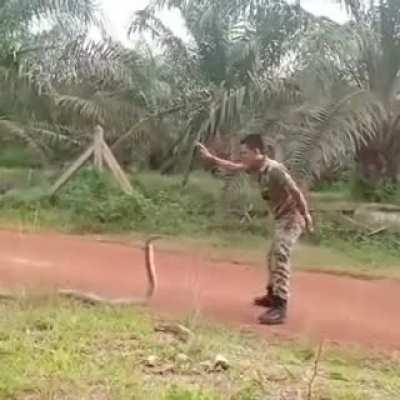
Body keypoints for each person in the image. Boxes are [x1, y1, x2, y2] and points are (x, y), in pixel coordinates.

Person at [196, 134, 313, 325]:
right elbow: (233, 167)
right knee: (271, 256)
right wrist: (212, 159)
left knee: (280, 253)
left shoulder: (274, 170)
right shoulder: (255, 168)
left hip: (292, 217)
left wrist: (306, 215)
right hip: (280, 218)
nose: (241, 157)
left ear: (257, 152)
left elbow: (295, 191)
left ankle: (280, 306)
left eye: (244, 153)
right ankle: (271, 295)